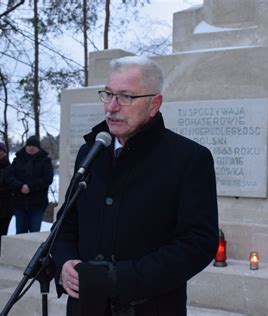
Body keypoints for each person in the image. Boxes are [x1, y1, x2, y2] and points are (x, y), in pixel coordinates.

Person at [51, 56, 219, 315]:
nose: (111, 107)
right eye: (108, 94)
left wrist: (122, 279)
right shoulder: (91, 150)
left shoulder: (189, 158)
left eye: (126, 97)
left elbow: (198, 243)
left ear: (154, 104)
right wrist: (64, 263)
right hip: (85, 307)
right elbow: (66, 222)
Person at [6, 136, 53, 234]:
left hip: (38, 203)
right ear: (26, 147)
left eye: (34, 146)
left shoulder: (45, 161)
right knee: (20, 233)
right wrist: (20, 186)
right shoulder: (17, 160)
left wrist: (30, 187)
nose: (31, 148)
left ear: (38, 148)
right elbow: (9, 177)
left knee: (34, 233)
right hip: (20, 203)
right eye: (29, 145)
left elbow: (47, 179)